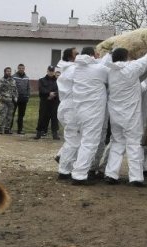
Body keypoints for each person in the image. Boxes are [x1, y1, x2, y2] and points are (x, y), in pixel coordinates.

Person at [103, 48, 147, 187]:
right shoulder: (131, 69)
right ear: (126, 57)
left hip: (115, 115)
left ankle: (111, 174)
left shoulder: (111, 72)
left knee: (117, 143)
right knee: (134, 144)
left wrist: (146, 81)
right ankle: (136, 177)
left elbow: (137, 88)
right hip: (131, 117)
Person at [70, 47, 109, 185]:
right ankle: (79, 175)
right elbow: (111, 73)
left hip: (80, 110)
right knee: (90, 143)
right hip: (93, 112)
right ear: (93, 55)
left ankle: (77, 170)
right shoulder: (99, 70)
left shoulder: (76, 69)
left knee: (83, 141)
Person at [56, 47, 78, 179]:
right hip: (70, 108)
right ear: (70, 57)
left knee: (74, 138)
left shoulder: (68, 69)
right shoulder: (73, 70)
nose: (80, 56)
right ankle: (64, 170)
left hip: (67, 107)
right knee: (73, 141)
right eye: (77, 54)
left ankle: (60, 156)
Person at [34, 65, 59, 140]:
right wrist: (49, 93)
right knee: (42, 117)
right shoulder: (42, 80)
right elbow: (41, 89)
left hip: (54, 102)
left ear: (54, 72)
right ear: (47, 71)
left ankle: (55, 134)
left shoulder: (58, 80)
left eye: (52, 71)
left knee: (54, 118)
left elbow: (60, 89)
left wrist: (53, 94)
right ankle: (39, 133)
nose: (51, 73)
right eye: (50, 71)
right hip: (45, 102)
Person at [0, 67, 17, 134]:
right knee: (2, 115)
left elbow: (15, 90)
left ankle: (7, 129)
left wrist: (15, 98)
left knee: (9, 116)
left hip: (11, 101)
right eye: (7, 71)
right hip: (3, 100)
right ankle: (0, 129)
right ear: (4, 72)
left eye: (10, 71)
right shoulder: (1, 80)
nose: (9, 72)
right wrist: (0, 97)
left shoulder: (13, 80)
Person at [10, 64, 30, 134]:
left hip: (23, 99)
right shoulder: (13, 77)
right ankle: (9, 129)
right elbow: (11, 87)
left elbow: (28, 88)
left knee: (21, 115)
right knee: (11, 114)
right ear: (18, 69)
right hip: (15, 98)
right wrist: (12, 96)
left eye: (22, 68)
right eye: (20, 68)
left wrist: (27, 97)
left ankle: (20, 129)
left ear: (24, 69)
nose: (21, 69)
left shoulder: (26, 78)